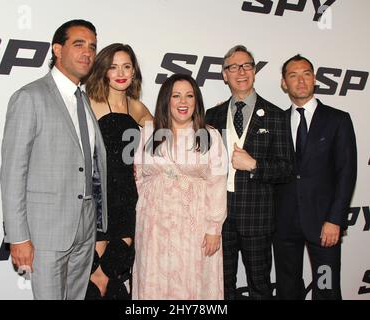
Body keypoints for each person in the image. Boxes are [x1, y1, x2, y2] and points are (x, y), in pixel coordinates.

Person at [0, 19, 108, 300]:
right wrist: (19, 236)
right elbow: (13, 172)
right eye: (79, 44)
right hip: (46, 230)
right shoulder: (30, 97)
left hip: (84, 227)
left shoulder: (82, 99)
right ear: (57, 50)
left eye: (93, 47)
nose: (88, 52)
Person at [205, 45, 292, 300]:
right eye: (233, 67)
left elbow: (287, 169)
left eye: (246, 66)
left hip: (257, 217)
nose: (240, 72)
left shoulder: (276, 115)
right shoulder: (213, 115)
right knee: (222, 287)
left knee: (260, 287)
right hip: (219, 217)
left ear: (254, 71)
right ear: (224, 75)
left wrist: (254, 164)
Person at [132, 74, 228, 299]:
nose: (183, 102)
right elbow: (139, 177)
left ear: (197, 101)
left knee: (192, 285)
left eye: (189, 96)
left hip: (196, 227)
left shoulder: (210, 136)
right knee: (153, 281)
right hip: (153, 227)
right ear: (166, 100)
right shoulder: (148, 132)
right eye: (176, 96)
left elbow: (218, 182)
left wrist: (214, 228)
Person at [273, 54, 357, 300]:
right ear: (283, 83)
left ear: (314, 79)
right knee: (288, 288)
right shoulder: (276, 121)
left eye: (306, 74)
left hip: (324, 225)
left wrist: (335, 219)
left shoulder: (337, 120)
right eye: (293, 75)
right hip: (284, 224)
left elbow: (347, 173)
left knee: (326, 286)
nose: (300, 81)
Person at [84, 43, 152, 299]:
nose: (121, 72)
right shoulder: (88, 104)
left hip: (128, 200)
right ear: (103, 71)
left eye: (127, 66)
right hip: (97, 202)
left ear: (134, 72)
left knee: (114, 268)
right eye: (113, 67)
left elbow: (166, 142)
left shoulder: (138, 108)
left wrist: (200, 121)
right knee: (92, 276)